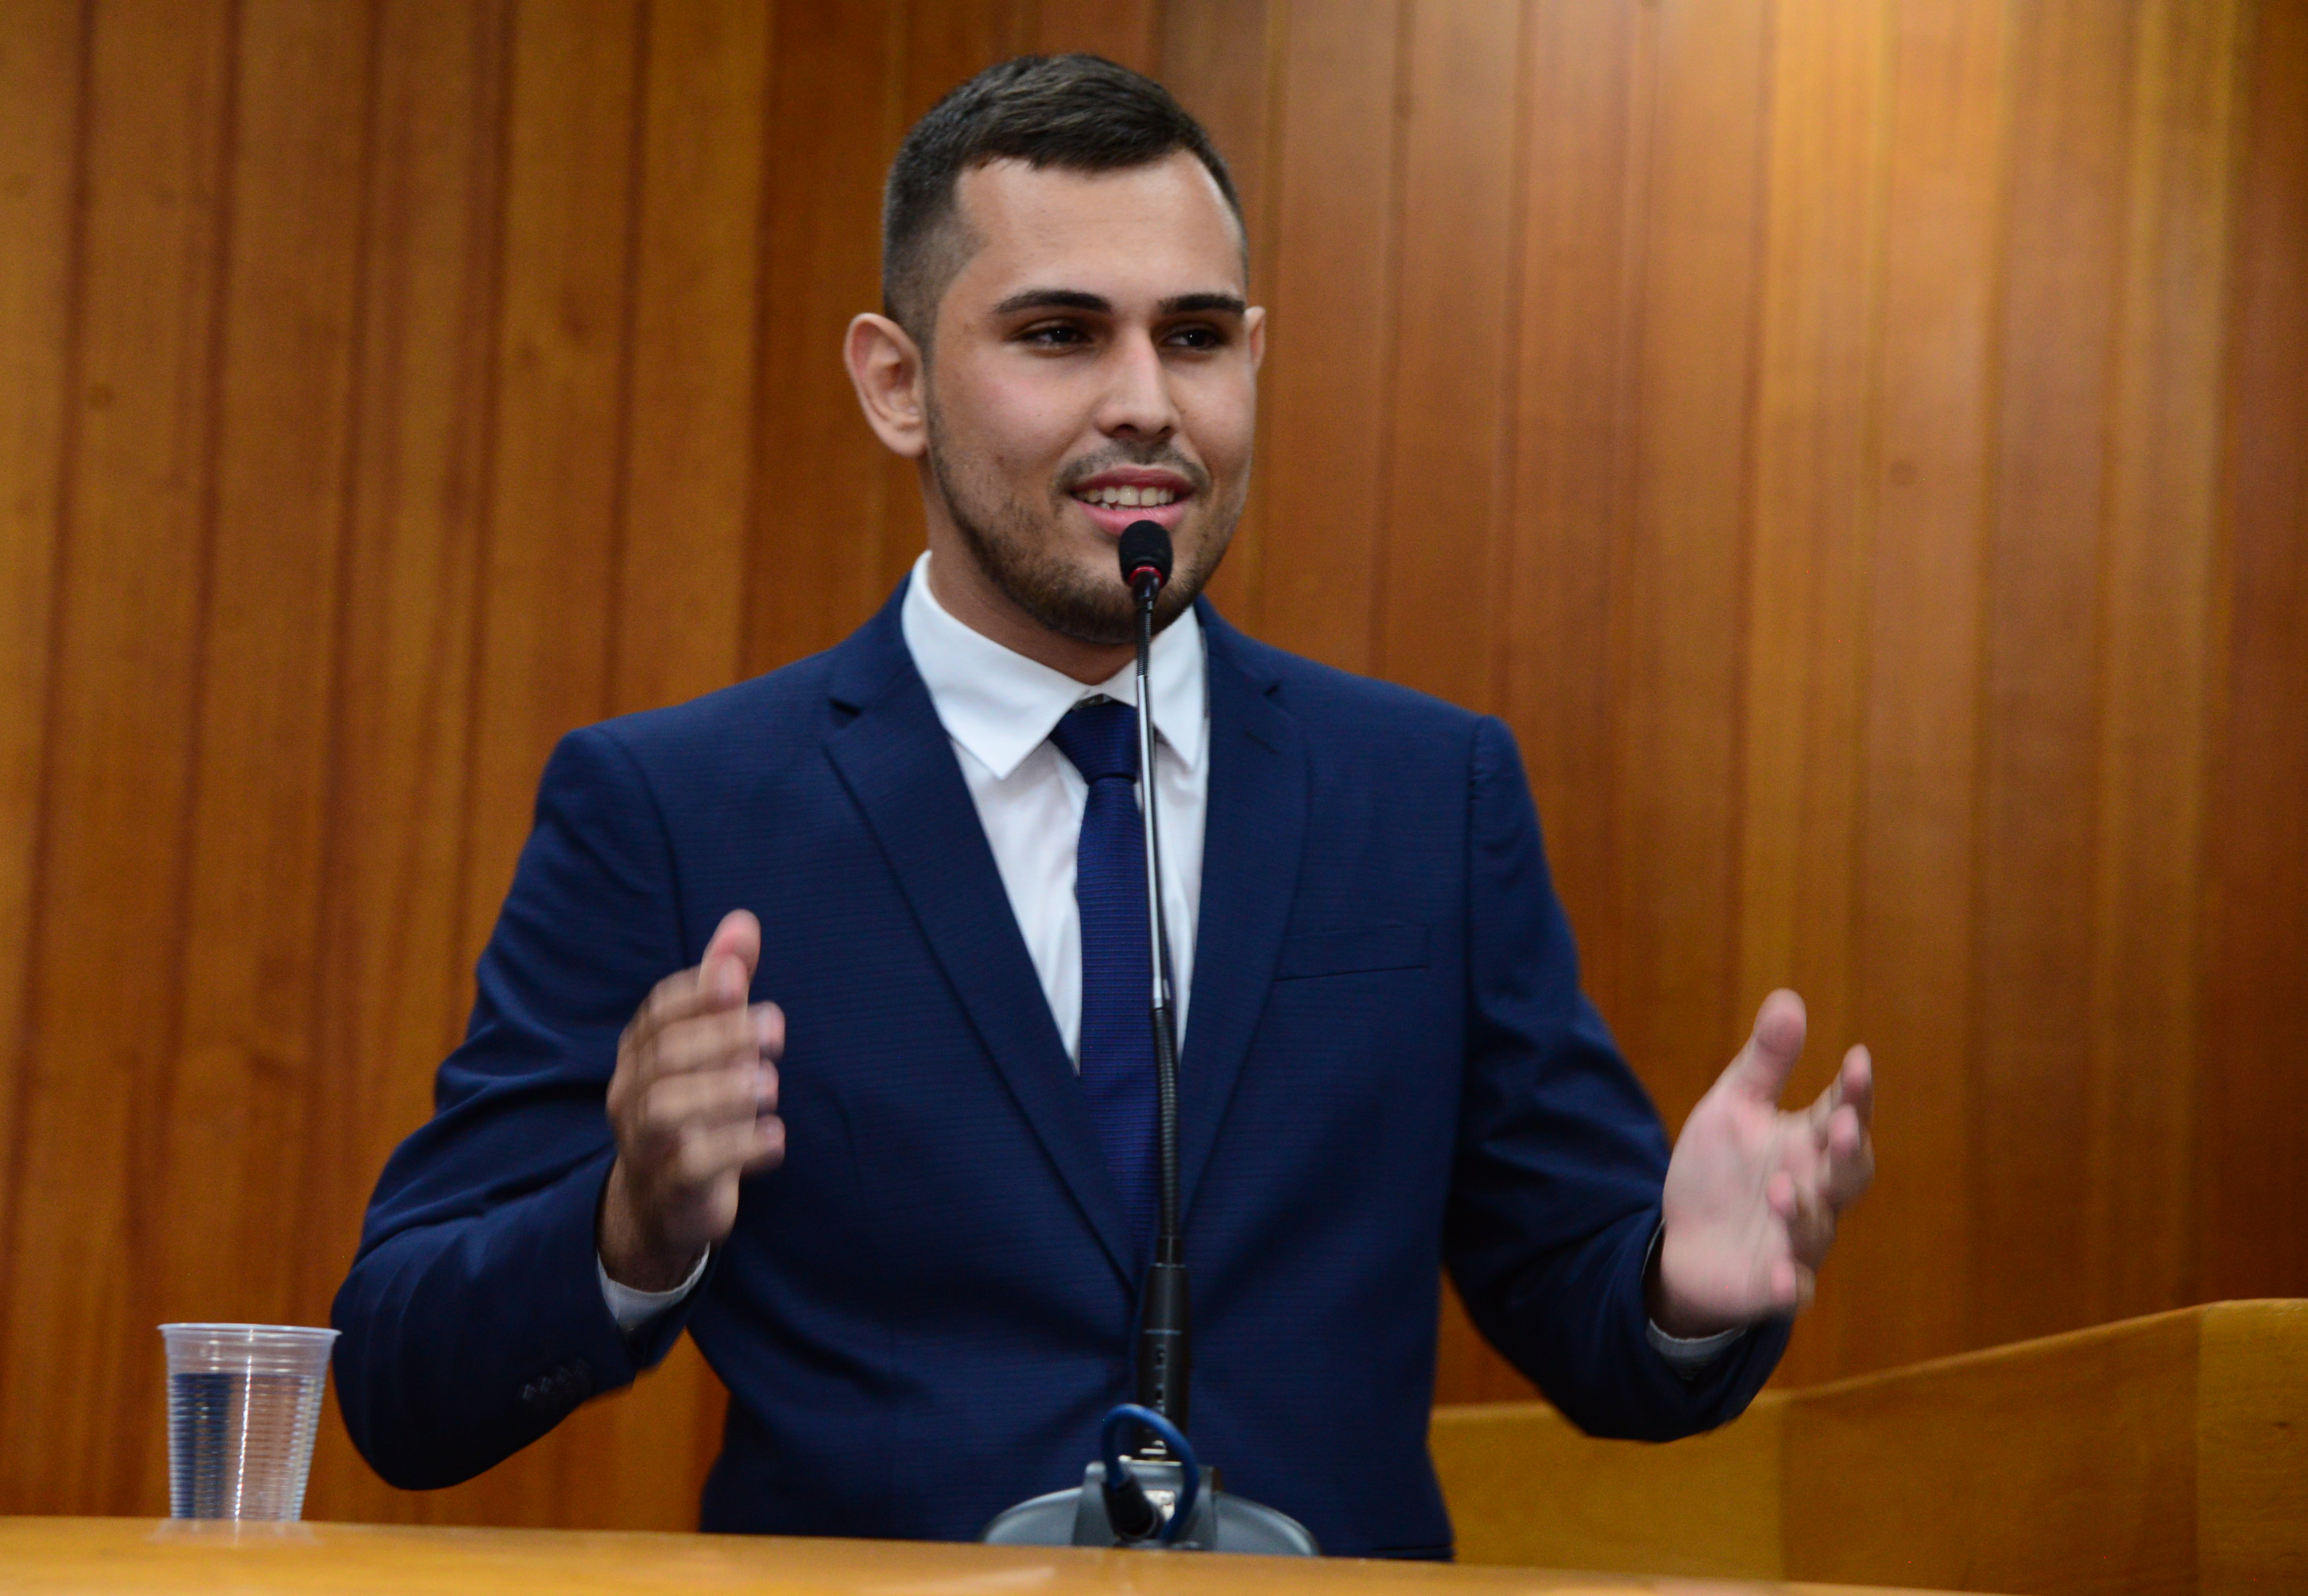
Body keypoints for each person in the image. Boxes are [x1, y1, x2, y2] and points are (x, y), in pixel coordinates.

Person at [332, 54, 1874, 1558]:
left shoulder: (1425, 794)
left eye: (1193, 337)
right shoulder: (674, 807)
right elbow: (403, 1379)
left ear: (1251, 358)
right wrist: (627, 1229)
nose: (1145, 403)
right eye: (1060, 334)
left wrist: (1683, 1284)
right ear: (895, 383)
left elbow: (1589, 1308)